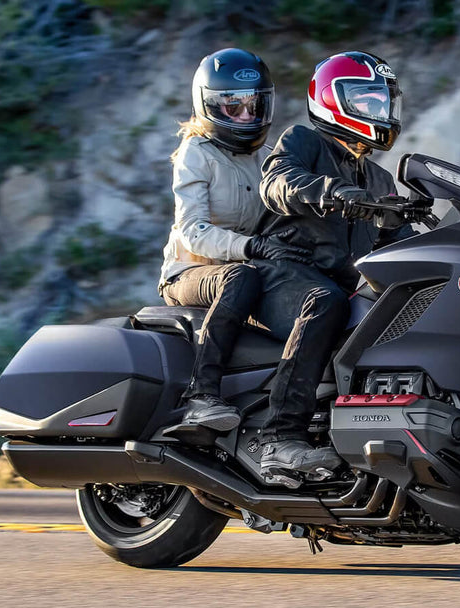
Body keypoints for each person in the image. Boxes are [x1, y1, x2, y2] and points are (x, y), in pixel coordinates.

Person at [251, 51, 412, 483]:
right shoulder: (302, 141)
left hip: (341, 282)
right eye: (368, 101)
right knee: (325, 303)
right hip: (283, 272)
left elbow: (398, 242)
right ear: (332, 99)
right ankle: (279, 438)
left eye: (384, 103)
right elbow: (277, 183)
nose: (381, 112)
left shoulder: (378, 180)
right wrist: (332, 192)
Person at [158, 48, 310, 436]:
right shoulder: (196, 154)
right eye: (233, 107)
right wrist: (252, 248)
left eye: (254, 106)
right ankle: (201, 395)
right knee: (239, 278)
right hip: (191, 272)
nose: (246, 116)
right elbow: (193, 231)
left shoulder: (264, 155)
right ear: (208, 105)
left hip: (249, 267)